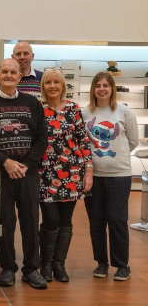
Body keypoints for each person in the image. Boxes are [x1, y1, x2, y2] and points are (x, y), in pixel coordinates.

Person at [0, 58, 48, 290]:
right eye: (4, 71)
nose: (8, 75)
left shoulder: (33, 103)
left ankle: (31, 269)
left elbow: (42, 137)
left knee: (30, 222)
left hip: (28, 173)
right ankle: (7, 268)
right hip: (1, 173)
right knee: (4, 222)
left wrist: (28, 163)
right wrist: (5, 162)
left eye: (13, 72)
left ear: (19, 76)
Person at [81, 72, 138, 281]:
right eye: (98, 85)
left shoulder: (124, 112)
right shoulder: (85, 113)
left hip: (119, 175)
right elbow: (82, 143)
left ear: (112, 89)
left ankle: (122, 265)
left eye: (106, 85)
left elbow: (133, 141)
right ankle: (101, 263)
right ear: (93, 89)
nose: (102, 89)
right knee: (96, 221)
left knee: (117, 219)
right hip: (92, 177)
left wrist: (116, 156)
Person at [37, 68, 93, 283]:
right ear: (43, 86)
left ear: (62, 85)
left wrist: (88, 171)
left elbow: (83, 141)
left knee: (66, 220)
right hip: (45, 174)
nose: (52, 86)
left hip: (71, 173)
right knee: (51, 219)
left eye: (56, 82)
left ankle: (59, 264)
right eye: (48, 82)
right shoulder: (38, 109)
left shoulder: (73, 109)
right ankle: (46, 264)